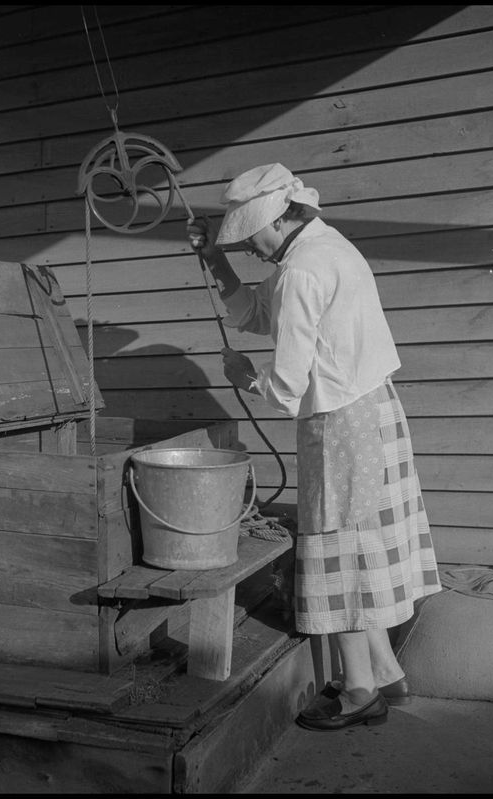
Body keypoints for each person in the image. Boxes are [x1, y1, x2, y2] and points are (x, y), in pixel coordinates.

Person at [187, 163, 441, 731]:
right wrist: (216, 261)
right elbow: (259, 313)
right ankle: (385, 671)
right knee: (362, 542)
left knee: (339, 547)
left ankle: (358, 692)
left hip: (341, 420)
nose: (249, 244)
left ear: (280, 217)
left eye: (250, 233)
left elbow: (287, 386)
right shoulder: (323, 246)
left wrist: (246, 379)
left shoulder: (303, 269)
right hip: (369, 410)